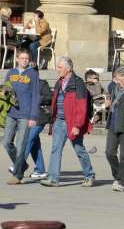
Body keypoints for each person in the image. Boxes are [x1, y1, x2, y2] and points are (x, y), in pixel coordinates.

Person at [40, 56, 95, 187]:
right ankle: (53, 178)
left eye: (60, 67)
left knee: (79, 149)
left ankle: (89, 175)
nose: (57, 70)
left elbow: (82, 107)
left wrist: (77, 125)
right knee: (55, 149)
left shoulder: (78, 83)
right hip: (59, 121)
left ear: (68, 68)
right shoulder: (59, 82)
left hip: (72, 123)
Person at [2, 49, 39, 184]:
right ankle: (22, 165)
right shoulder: (11, 73)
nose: (24, 61)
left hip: (26, 114)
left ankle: (18, 175)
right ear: (17, 59)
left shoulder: (33, 74)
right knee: (6, 142)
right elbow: (5, 89)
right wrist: (4, 91)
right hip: (11, 113)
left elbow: (36, 95)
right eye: (22, 58)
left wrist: (33, 117)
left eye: (26, 59)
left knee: (21, 145)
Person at [23, 62, 52, 180]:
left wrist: (38, 99)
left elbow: (50, 97)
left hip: (40, 117)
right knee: (35, 144)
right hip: (28, 118)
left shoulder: (42, 83)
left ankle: (18, 165)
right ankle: (40, 170)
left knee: (28, 139)